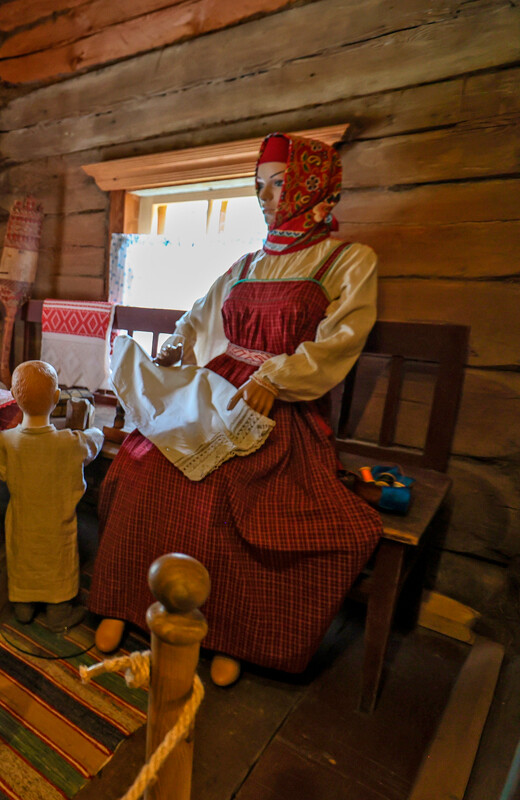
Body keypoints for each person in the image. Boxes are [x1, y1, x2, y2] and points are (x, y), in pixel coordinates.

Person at [89, 133, 383, 686]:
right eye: (259, 186)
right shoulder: (247, 263)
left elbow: (343, 338)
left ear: (312, 185)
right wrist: (178, 344)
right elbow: (202, 317)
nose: (267, 197)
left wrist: (278, 375)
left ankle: (230, 633)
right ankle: (124, 603)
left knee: (237, 490)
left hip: (278, 403)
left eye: (280, 183)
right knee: (143, 464)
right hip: (219, 386)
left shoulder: (347, 260)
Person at [0, 361, 104, 629]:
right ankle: (58, 609)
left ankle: (23, 606)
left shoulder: (6, 442)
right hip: (57, 529)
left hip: (22, 524)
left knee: (22, 560)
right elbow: (93, 441)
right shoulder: (70, 443)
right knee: (58, 563)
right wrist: (96, 430)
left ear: (14, 397)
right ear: (56, 398)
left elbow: (2, 464)